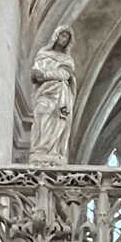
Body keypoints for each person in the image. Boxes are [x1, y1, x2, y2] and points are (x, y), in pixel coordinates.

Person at [29, 26, 76, 166]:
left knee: (58, 121)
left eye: (67, 38)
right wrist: (38, 74)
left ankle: (54, 152)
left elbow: (65, 75)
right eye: (62, 36)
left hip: (60, 93)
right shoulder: (43, 53)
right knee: (41, 114)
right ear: (56, 36)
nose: (64, 40)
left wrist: (45, 75)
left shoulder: (67, 59)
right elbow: (35, 73)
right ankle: (39, 149)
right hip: (44, 92)